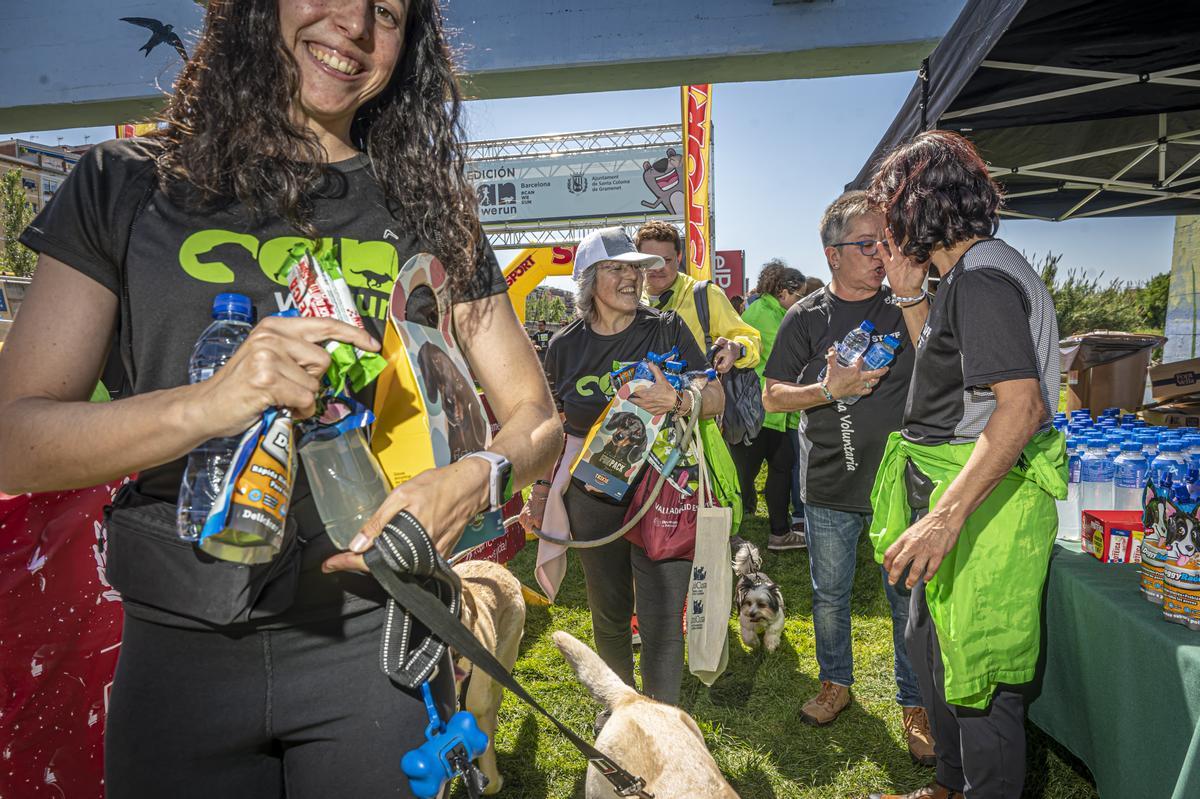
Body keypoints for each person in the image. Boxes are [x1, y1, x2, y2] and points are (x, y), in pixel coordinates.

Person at [0, 2, 562, 796]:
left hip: (377, 637)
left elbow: (536, 416)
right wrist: (211, 401)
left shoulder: (431, 210)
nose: (356, 26)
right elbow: (15, 438)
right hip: (178, 650)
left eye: (389, 12)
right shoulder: (124, 183)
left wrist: (478, 476)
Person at [865, 131, 1063, 799]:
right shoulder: (970, 273)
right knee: (937, 653)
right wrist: (911, 297)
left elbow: (1018, 408)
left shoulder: (981, 278)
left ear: (916, 204)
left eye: (890, 207)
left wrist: (944, 518)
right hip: (961, 500)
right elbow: (953, 387)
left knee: (979, 676)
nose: (886, 226)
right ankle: (949, 785)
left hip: (981, 510)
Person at [523, 226, 724, 725]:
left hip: (663, 492)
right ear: (589, 281)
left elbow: (714, 397)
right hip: (594, 495)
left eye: (637, 268)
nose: (634, 278)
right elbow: (556, 426)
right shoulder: (564, 346)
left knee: (660, 619)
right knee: (609, 614)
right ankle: (619, 711)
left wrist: (679, 400)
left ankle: (660, 722)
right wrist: (542, 492)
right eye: (618, 268)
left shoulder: (667, 328)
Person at [762, 191, 933, 764]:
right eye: (867, 244)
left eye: (885, 241)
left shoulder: (904, 302)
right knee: (830, 597)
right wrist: (825, 391)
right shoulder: (805, 317)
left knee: (905, 598)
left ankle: (916, 704)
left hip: (897, 484)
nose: (881, 253)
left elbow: (940, 358)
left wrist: (911, 298)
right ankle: (836, 683)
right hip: (830, 485)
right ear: (832, 254)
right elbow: (772, 393)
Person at [734, 260, 808, 551]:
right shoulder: (764, 314)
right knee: (743, 478)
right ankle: (724, 533)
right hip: (757, 412)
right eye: (799, 296)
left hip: (771, 413)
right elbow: (793, 352)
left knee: (780, 467)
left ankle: (779, 533)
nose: (800, 303)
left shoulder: (770, 310)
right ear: (782, 291)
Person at [634, 220, 761, 375]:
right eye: (652, 261)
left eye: (666, 260)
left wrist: (738, 349)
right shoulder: (630, 299)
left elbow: (750, 338)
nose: (659, 267)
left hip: (699, 394)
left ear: (679, 258)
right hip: (639, 395)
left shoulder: (705, 294)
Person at [788, 274, 828, 534]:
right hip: (799, 414)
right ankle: (801, 514)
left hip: (798, 415)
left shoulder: (797, 318)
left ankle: (801, 514)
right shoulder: (801, 318)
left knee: (796, 465)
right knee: (796, 466)